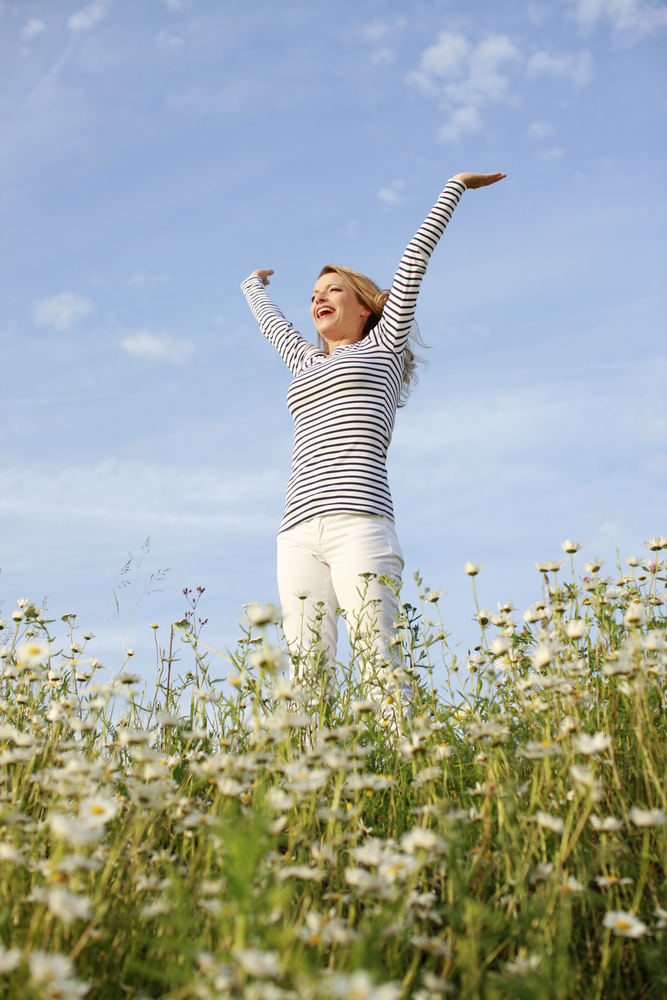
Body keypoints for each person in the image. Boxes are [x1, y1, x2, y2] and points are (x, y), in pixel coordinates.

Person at [241, 171, 505, 699]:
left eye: (332, 290)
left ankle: (402, 772)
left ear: (363, 304)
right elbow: (269, 320)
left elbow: (414, 260)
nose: (318, 299)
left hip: (359, 520)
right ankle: (313, 774)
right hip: (296, 530)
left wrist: (452, 188)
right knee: (306, 671)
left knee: (378, 657)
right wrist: (252, 285)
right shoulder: (303, 359)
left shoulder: (382, 345)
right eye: (313, 294)